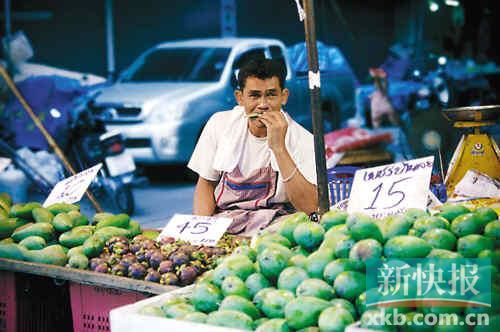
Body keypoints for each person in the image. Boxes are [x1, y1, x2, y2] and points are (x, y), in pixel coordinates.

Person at [187, 58, 318, 236]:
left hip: (277, 225)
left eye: (271, 95)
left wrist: (279, 148)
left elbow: (310, 207)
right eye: (254, 95)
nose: (263, 105)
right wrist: (202, 232)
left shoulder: (303, 140)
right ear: (240, 98)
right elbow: (206, 185)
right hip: (227, 221)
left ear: (284, 96)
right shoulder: (220, 124)